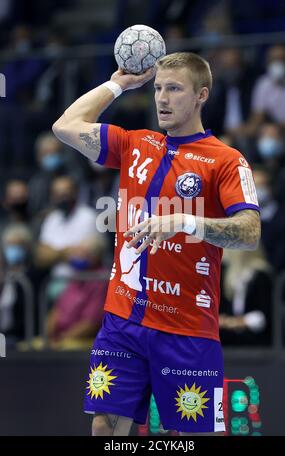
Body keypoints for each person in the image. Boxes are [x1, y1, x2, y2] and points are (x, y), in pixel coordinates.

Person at [52, 52, 261, 436]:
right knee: (104, 423)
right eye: (159, 89)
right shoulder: (135, 143)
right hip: (123, 318)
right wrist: (120, 84)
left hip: (187, 329)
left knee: (183, 438)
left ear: (201, 95)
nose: (162, 98)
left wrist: (184, 221)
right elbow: (65, 126)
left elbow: (249, 231)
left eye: (175, 89)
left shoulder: (228, 161)